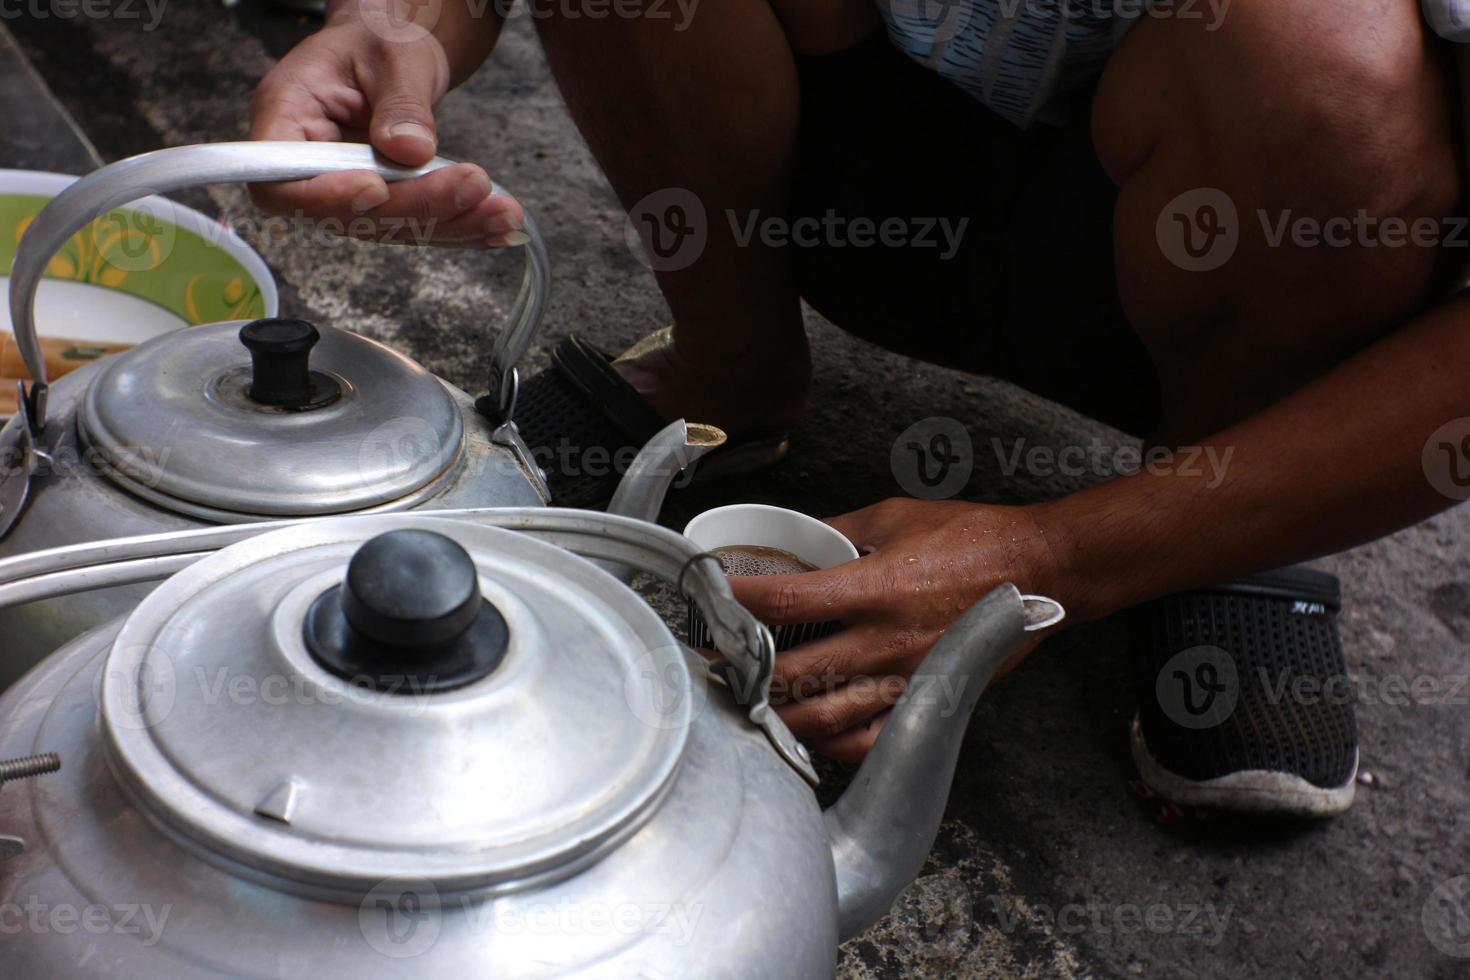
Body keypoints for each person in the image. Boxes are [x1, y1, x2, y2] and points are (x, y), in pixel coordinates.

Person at [249, 0, 1470, 817]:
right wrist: (404, 19)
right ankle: (732, 365)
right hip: (855, 145)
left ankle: (1221, 503)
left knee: (1323, 60)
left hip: (1231, 232)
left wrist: (1060, 553)